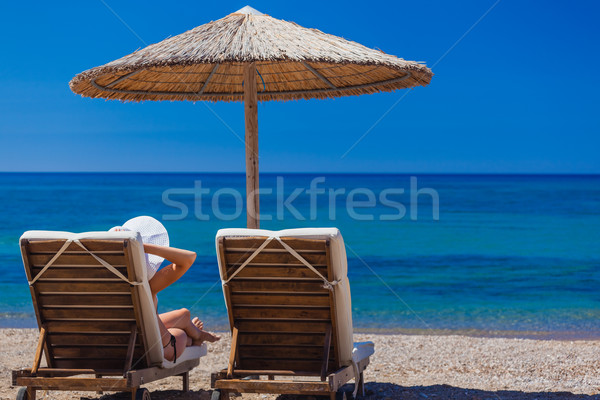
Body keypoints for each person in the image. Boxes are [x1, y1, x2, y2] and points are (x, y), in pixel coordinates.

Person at [110, 216, 220, 362]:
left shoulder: (94, 283)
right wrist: (141, 246)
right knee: (183, 333)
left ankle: (195, 332)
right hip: (154, 348)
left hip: (114, 344)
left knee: (183, 316)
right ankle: (194, 337)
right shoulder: (145, 287)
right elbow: (189, 258)